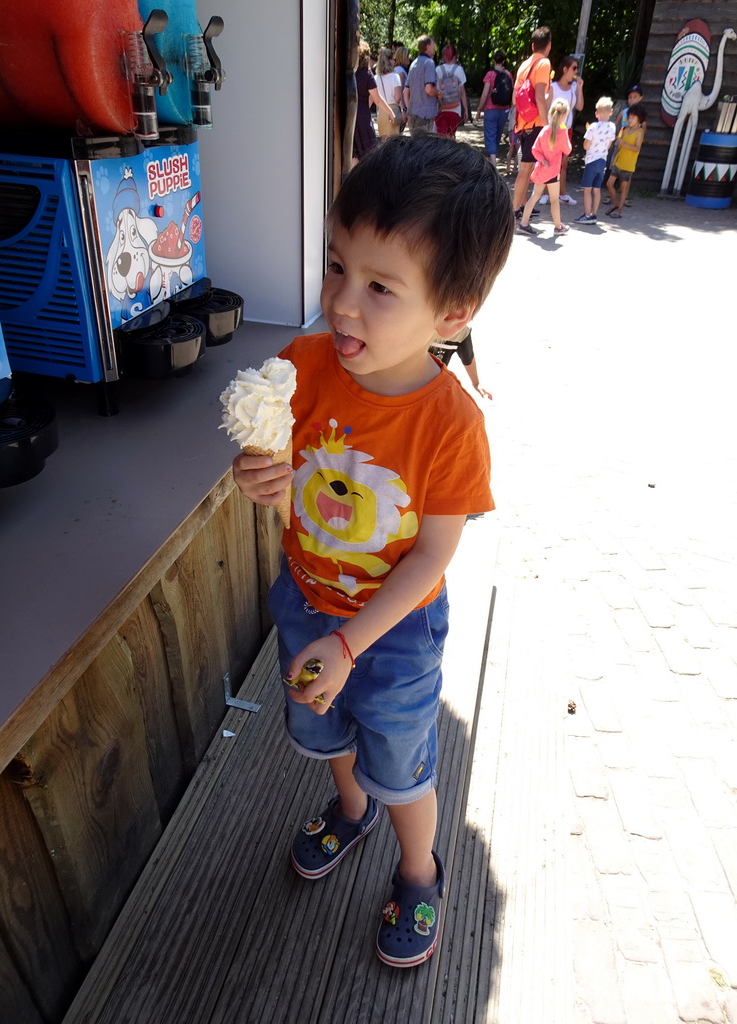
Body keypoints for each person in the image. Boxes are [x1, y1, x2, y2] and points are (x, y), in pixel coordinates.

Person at [231, 134, 513, 969]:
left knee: (401, 756)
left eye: (381, 287)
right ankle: (348, 812)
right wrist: (258, 474)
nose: (342, 301)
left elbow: (431, 559)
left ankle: (419, 871)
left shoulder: (451, 427)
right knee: (327, 735)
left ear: (452, 314)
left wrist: (353, 641)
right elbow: (276, 469)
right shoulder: (301, 366)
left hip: (393, 633)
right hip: (305, 598)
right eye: (336, 266)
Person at [512, 25, 553, 218]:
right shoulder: (544, 64)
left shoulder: (524, 65)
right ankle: (514, 211)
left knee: (527, 168)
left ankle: (521, 205)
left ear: (532, 45)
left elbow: (514, 99)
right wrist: (546, 125)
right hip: (535, 124)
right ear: (549, 46)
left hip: (523, 122)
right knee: (526, 168)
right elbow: (539, 96)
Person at [518, 97, 572, 236]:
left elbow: (535, 149)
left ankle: (523, 223)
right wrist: (565, 132)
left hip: (542, 170)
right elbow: (568, 150)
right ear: (564, 115)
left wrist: (542, 160)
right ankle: (558, 226)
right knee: (554, 200)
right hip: (553, 172)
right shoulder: (562, 132)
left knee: (534, 196)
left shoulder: (544, 130)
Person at [546, 55, 584, 204]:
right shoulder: (553, 87)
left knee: (563, 164)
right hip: (552, 129)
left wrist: (580, 89)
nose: (576, 71)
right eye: (574, 68)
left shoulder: (574, 87)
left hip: (566, 130)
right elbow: (547, 106)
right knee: (548, 161)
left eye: (577, 68)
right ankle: (545, 193)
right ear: (565, 69)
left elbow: (580, 106)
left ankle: (562, 194)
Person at [574, 96, 616, 224]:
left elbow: (586, 145)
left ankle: (587, 215)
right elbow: (609, 145)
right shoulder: (612, 127)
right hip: (602, 161)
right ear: (611, 112)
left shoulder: (593, 127)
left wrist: (588, 134)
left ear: (597, 113)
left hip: (591, 160)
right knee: (596, 189)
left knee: (587, 189)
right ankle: (594, 214)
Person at [353, 41, 395, 164]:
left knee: (354, 154)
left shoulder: (350, 75)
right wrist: (390, 112)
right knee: (368, 153)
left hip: (351, 116)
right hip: (363, 118)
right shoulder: (367, 75)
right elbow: (377, 99)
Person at [605, 103, 646, 218]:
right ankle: (615, 203)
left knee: (623, 189)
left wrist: (624, 144)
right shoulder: (625, 129)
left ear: (639, 119)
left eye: (633, 117)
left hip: (628, 165)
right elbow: (619, 147)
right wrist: (619, 143)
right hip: (618, 162)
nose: (630, 119)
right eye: (629, 117)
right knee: (609, 184)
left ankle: (619, 210)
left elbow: (637, 148)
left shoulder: (640, 132)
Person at [429, 326, 492, 399]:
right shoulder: (420, 323)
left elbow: (468, 359)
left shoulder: (461, 333)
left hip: (435, 385)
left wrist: (476, 384)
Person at [475, 50, 514, 163]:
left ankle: (493, 163)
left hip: (491, 109)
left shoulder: (490, 74)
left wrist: (479, 109)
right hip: (504, 110)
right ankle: (493, 159)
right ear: (504, 61)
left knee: (490, 136)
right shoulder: (509, 75)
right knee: (497, 137)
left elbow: (485, 93)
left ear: (494, 60)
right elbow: (512, 92)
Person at [404, 35, 438, 133]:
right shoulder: (429, 63)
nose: (434, 46)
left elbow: (406, 91)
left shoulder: (413, 64)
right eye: (433, 44)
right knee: (425, 146)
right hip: (425, 114)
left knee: (415, 146)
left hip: (412, 114)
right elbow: (429, 89)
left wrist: (409, 109)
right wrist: (439, 93)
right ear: (427, 47)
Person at [435, 44, 468, 138]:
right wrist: (465, 109)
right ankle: (451, 152)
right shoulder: (459, 69)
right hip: (455, 109)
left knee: (441, 136)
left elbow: (435, 90)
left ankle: (442, 152)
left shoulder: (438, 69)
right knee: (451, 136)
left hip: (441, 109)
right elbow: (462, 92)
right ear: (455, 56)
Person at [374, 48, 404, 138]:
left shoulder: (376, 78)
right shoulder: (395, 77)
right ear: (389, 60)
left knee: (383, 144)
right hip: (392, 112)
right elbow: (397, 97)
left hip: (381, 113)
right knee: (393, 144)